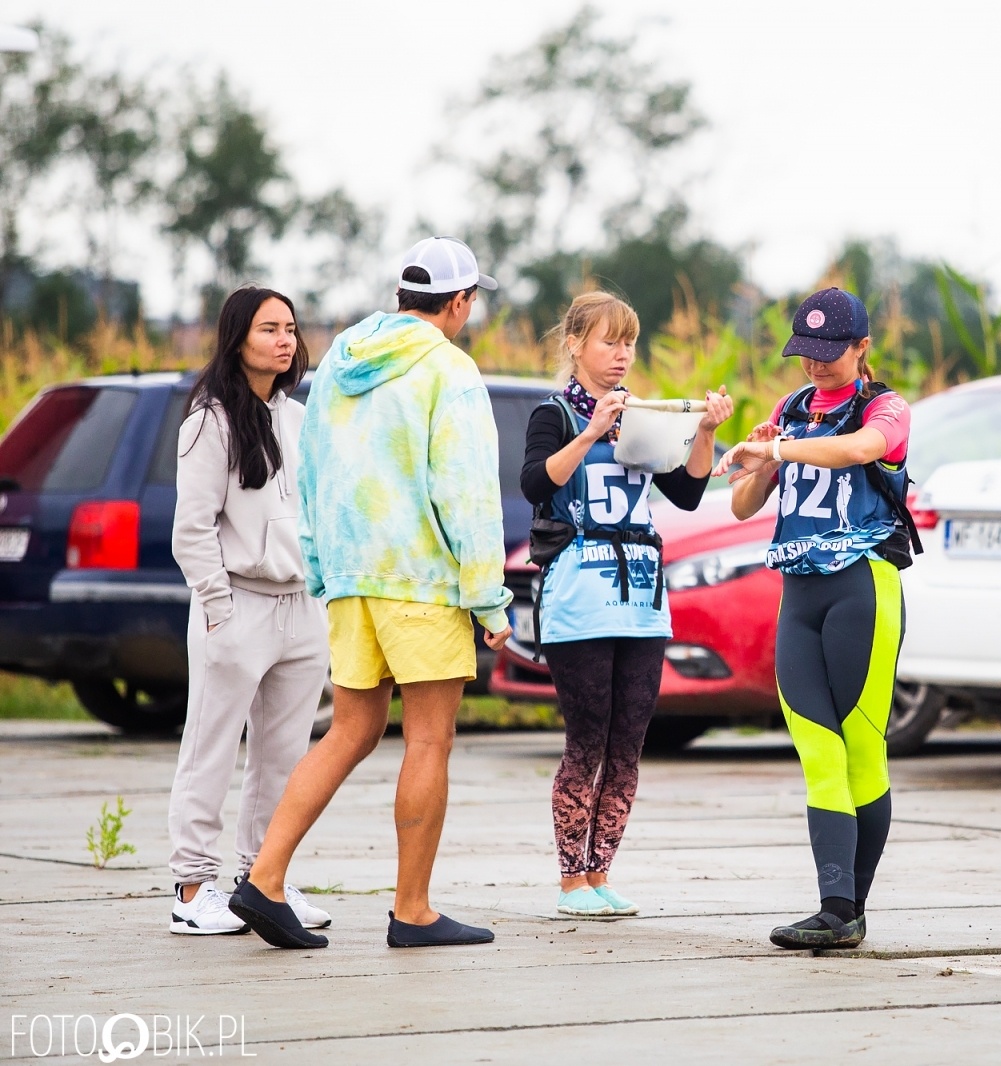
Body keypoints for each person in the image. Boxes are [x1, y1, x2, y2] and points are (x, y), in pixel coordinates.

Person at [228, 237, 513, 949]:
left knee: (350, 732)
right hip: (422, 583)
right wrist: (489, 599)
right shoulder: (450, 370)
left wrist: (322, 570)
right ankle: (412, 912)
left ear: (402, 296)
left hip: (351, 579)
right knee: (429, 739)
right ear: (459, 302)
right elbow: (468, 493)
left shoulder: (339, 362)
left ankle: (263, 878)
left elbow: (311, 470)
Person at [714, 287, 916, 950]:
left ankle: (850, 906)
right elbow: (744, 506)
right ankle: (835, 909)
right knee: (818, 749)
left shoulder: (885, 407)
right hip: (799, 594)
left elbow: (860, 450)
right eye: (806, 352)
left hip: (864, 588)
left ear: (862, 347)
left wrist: (780, 452)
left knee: (861, 748)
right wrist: (758, 458)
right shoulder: (791, 410)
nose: (816, 364)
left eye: (830, 352)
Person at [520, 291, 732, 918]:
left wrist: (705, 432)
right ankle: (571, 882)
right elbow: (535, 483)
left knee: (628, 743)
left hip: (641, 597)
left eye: (629, 343)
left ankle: (601, 873)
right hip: (579, 599)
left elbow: (686, 493)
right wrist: (592, 432)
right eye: (609, 341)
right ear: (575, 345)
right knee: (586, 740)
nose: (621, 354)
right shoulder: (555, 414)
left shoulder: (640, 414)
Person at [166, 287, 330, 936]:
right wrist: (216, 606)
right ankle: (191, 889)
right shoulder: (208, 422)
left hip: (301, 607)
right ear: (238, 340)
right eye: (269, 329)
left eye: (290, 328)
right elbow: (192, 529)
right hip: (236, 603)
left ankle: (265, 879)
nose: (285, 340)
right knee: (209, 748)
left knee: (283, 756)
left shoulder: (299, 418)